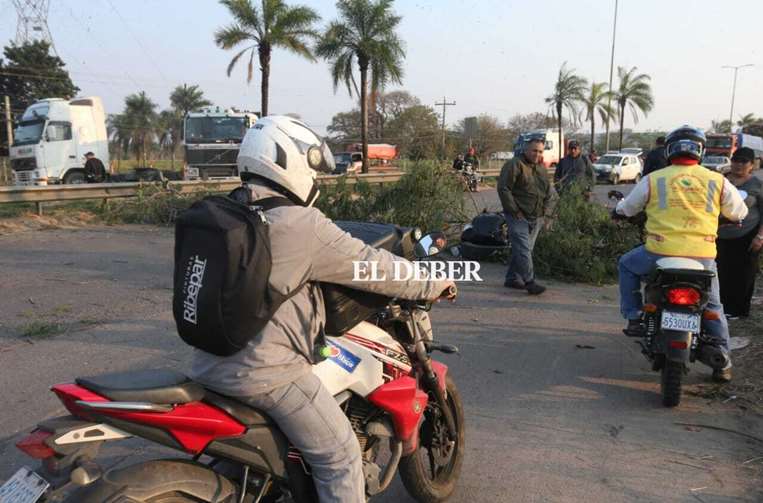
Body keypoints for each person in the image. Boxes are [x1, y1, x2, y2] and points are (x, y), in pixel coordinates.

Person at [189, 116, 455, 503]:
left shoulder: (228, 212)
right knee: (340, 456)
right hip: (266, 374)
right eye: (313, 167)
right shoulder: (299, 223)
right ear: (290, 162)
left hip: (207, 362)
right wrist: (435, 283)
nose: (316, 179)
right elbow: (373, 268)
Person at [615, 125, 748, 383]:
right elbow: (739, 212)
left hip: (659, 251)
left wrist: (618, 210)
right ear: (701, 150)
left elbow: (629, 208)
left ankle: (633, 317)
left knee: (626, 265)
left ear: (669, 150)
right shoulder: (717, 180)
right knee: (714, 305)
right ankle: (723, 360)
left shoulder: (655, 179)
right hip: (703, 256)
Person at [498, 137, 554, 295]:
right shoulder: (514, 164)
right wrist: (514, 210)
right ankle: (530, 282)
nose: (537, 154)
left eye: (540, 151)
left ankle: (512, 278)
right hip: (517, 216)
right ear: (525, 150)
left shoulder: (542, 169)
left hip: (536, 216)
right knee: (523, 249)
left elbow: (548, 192)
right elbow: (504, 188)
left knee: (526, 249)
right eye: (534, 150)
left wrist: (545, 212)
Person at [716, 147, 763, 319]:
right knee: (720, 271)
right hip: (719, 235)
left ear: (752, 164)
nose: (738, 165)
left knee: (743, 274)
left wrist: (760, 236)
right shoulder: (720, 180)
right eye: (736, 160)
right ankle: (720, 307)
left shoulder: (756, 185)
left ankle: (738, 310)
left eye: (744, 161)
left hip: (747, 236)